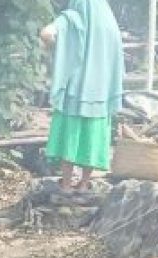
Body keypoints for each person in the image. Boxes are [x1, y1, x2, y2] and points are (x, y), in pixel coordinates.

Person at [41, 0, 124, 190]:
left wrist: (59, 49)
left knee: (70, 134)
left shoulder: (72, 17)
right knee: (93, 138)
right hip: (101, 93)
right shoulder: (110, 24)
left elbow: (46, 33)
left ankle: (67, 183)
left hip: (75, 90)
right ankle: (84, 184)